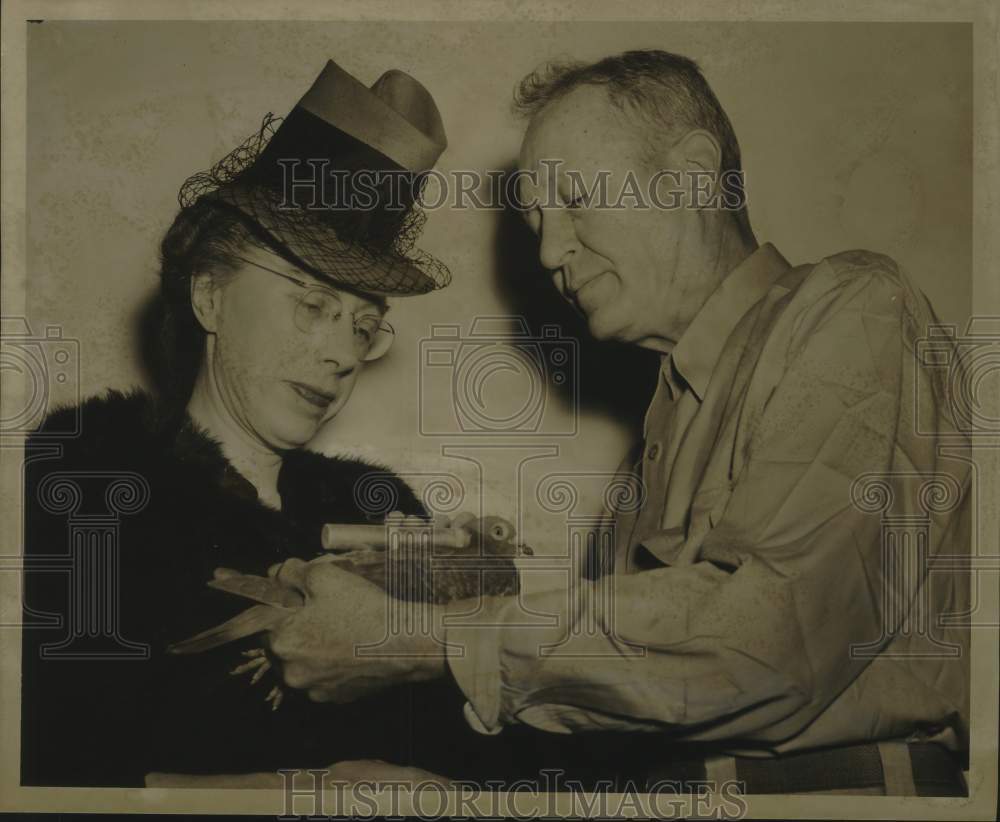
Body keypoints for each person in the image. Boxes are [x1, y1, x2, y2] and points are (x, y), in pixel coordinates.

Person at [261, 50, 971, 795]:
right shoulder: (651, 454)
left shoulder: (853, 307)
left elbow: (766, 644)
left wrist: (417, 639)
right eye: (536, 220)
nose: (549, 251)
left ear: (696, 173)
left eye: (573, 200)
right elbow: (638, 691)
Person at [20, 59, 527, 787]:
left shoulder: (383, 514)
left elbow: (484, 767)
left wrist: (479, 625)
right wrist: (309, 795)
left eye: (363, 324)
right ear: (211, 299)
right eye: (312, 304)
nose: (340, 354)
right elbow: (50, 775)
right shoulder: (85, 492)